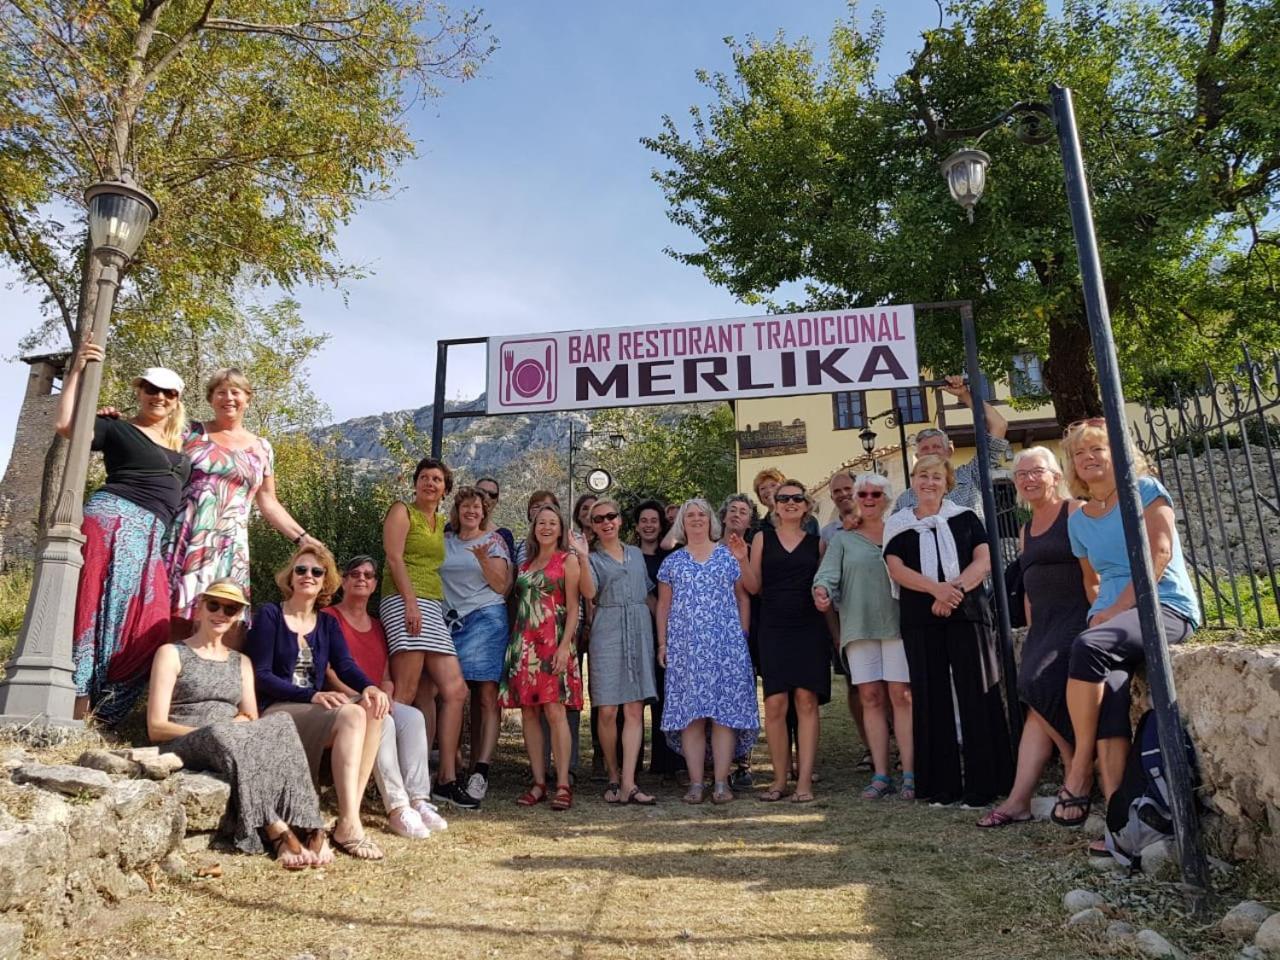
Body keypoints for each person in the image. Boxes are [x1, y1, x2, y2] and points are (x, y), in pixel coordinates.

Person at [1050, 420, 1200, 829]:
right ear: (1073, 467)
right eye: (1080, 454)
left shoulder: (1145, 492)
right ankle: (1119, 817)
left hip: (1164, 607)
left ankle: (1079, 768)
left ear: (1118, 455)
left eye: (1098, 449)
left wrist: (1113, 612)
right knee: (1112, 692)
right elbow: (1090, 578)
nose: (1089, 458)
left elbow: (1160, 553)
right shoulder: (1078, 519)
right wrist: (1100, 612)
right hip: (1112, 621)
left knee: (1087, 646)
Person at [148, 580, 329, 869]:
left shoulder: (241, 662)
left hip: (230, 737)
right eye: (214, 605)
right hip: (183, 739)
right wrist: (214, 732)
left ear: (237, 618)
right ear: (199, 608)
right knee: (226, 733)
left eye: (230, 609)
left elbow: (252, 717)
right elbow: (156, 726)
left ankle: (309, 823)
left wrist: (231, 729)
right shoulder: (171, 653)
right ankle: (276, 831)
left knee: (281, 721)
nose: (221, 613)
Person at [57, 335, 191, 722]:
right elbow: (66, 425)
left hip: (152, 536)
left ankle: (107, 712)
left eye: (167, 392)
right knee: (96, 608)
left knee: (149, 622)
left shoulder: (179, 443)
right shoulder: (117, 427)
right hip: (113, 518)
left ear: (177, 399)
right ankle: (76, 708)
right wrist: (77, 369)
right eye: (150, 389)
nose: (158, 397)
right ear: (140, 391)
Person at [883, 456, 1013, 806]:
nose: (929, 482)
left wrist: (952, 591)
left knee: (978, 692)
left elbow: (984, 560)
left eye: (936, 476)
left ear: (948, 482)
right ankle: (941, 785)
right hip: (921, 617)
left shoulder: (967, 517)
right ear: (913, 481)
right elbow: (895, 567)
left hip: (967, 612)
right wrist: (934, 590)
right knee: (930, 696)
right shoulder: (897, 523)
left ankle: (985, 783)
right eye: (922, 475)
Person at [247, 544, 391, 860]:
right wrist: (311, 694)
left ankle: (347, 816)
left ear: (326, 580)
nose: (308, 576)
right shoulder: (271, 615)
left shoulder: (326, 624)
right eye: (301, 569)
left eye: (316, 571)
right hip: (278, 709)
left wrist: (370, 687)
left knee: (374, 710)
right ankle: (351, 825)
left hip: (313, 709)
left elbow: (345, 664)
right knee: (352, 716)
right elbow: (261, 675)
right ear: (291, 576)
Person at [978, 448, 1086, 827]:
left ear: (1055, 475)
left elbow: (1093, 569)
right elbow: (1027, 584)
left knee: (1033, 683)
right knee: (1034, 700)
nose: (1027, 479)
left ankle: (1075, 768)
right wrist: (1030, 624)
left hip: (1077, 617)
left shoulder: (1075, 512)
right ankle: (1019, 799)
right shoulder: (1025, 529)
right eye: (1020, 474)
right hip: (1043, 624)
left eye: (1036, 472)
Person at [165, 368, 316, 635]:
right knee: (173, 615)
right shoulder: (188, 433)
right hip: (186, 536)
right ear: (211, 399)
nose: (228, 398)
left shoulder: (261, 448)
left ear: (248, 398)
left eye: (235, 392)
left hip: (229, 545)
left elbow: (268, 501)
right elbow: (149, 445)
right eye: (220, 392)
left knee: (225, 620)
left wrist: (303, 538)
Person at [322, 556, 449, 839]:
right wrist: (361, 695)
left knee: (413, 717)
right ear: (343, 580)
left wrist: (387, 690)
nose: (362, 579)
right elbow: (329, 670)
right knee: (385, 722)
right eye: (354, 574)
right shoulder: (330, 618)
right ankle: (397, 808)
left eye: (368, 575)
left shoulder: (377, 625)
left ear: (375, 584)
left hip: (375, 695)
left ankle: (419, 800)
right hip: (347, 699)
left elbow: (386, 672)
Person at [380, 457, 476, 811]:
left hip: (432, 606)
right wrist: (409, 603)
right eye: (424, 477)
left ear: (445, 489)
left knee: (452, 690)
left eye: (437, 479)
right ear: (415, 483)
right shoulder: (402, 511)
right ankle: (392, 783)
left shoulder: (439, 524)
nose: (430, 483)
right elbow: (393, 558)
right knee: (404, 693)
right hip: (404, 602)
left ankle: (445, 779)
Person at [814, 473, 913, 800]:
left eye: (876, 494)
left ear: (886, 499)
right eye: (863, 494)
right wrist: (821, 591)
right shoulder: (842, 539)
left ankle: (911, 773)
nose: (869, 499)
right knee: (870, 697)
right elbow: (826, 575)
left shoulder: (901, 532)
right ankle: (881, 774)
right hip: (858, 627)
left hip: (899, 626)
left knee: (901, 698)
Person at [657, 499, 758, 805]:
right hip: (686, 648)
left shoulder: (729, 556)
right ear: (682, 523)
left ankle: (722, 783)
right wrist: (662, 643)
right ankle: (697, 783)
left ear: (712, 520)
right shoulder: (672, 563)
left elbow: (747, 595)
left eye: (702, 514)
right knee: (692, 717)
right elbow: (663, 606)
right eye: (690, 515)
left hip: (725, 647)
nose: (697, 519)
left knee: (724, 715)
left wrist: (741, 636)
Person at [739, 480, 829, 803]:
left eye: (797, 498)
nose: (790, 502)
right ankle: (778, 780)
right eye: (783, 498)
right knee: (775, 703)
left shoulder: (818, 544)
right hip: (773, 626)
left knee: (806, 701)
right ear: (774, 505)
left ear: (806, 506)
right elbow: (753, 587)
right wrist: (740, 558)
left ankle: (804, 781)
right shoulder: (762, 538)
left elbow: (825, 586)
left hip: (808, 626)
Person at [574, 498, 659, 805]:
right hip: (607, 629)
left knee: (635, 709)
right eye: (599, 519)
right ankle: (612, 773)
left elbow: (650, 596)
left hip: (639, 630)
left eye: (611, 516)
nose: (606, 522)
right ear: (592, 526)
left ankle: (629, 782)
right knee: (607, 709)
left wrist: (665, 633)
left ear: (621, 520)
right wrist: (583, 558)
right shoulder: (592, 557)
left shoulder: (636, 554)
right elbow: (589, 592)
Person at [500, 504, 583, 811]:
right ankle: (538, 782)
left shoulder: (568, 560)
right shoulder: (526, 564)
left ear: (561, 529)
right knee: (530, 713)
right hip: (525, 642)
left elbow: (574, 608)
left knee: (554, 711)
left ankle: (562, 783)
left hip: (553, 641)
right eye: (541, 522)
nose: (546, 527)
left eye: (553, 523)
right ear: (534, 528)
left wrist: (565, 647)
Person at [440, 486, 512, 803]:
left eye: (478, 507)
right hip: (451, 623)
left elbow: (503, 587)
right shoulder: (445, 541)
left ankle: (481, 769)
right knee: (451, 694)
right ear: (458, 510)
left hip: (485, 619)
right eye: (466, 506)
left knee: (485, 694)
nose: (472, 511)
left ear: (485, 513)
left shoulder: (493, 542)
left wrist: (484, 561)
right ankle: (451, 764)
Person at [892, 376, 1010, 518]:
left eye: (936, 447)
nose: (931, 453)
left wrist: (964, 395)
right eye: (924, 449)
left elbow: (999, 425)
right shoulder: (905, 500)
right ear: (917, 458)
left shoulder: (971, 476)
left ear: (949, 451)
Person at [816, 470, 872, 769]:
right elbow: (824, 583)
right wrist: (834, 632)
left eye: (846, 488)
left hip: (879, 615)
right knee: (855, 686)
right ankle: (869, 747)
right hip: (846, 619)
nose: (841, 494)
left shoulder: (878, 522)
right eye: (836, 490)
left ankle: (901, 748)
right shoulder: (827, 534)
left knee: (891, 686)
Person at [633, 499, 680, 781]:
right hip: (637, 633)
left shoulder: (671, 558)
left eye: (654, 521)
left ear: (662, 525)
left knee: (665, 698)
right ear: (637, 526)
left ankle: (667, 764)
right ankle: (632, 763)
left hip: (668, 634)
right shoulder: (629, 556)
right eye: (644, 521)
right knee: (636, 700)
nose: (649, 525)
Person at [752, 467, 818, 535]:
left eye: (773, 485)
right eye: (763, 488)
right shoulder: (757, 529)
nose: (769, 490)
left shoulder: (809, 522)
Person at [474, 476, 516, 560]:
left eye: (492, 494)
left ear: (497, 500)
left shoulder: (504, 535)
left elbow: (509, 570)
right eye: (481, 492)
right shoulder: (452, 530)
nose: (487, 497)